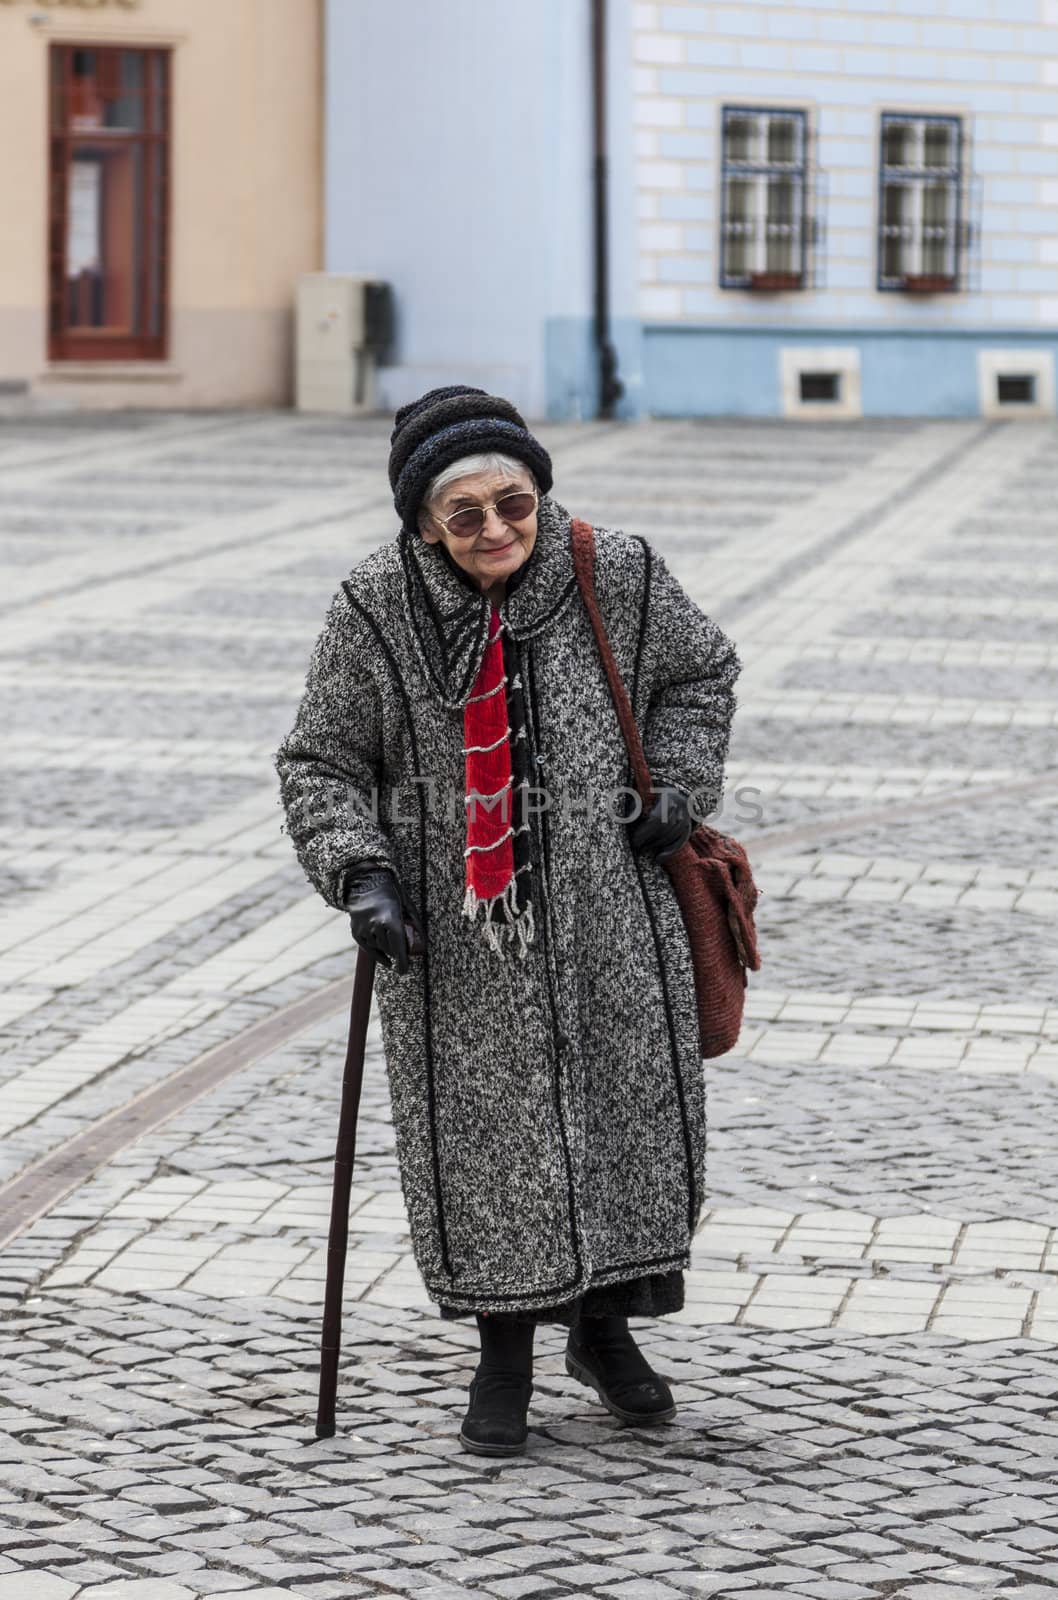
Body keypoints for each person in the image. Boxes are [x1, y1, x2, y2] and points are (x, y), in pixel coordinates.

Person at [274, 385, 741, 1456]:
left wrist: (675, 783)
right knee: (488, 1152)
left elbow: (700, 673)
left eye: (514, 503)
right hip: (457, 943)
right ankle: (502, 1359)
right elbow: (321, 759)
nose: (496, 531)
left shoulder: (611, 573)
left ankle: (605, 1335)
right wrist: (361, 875)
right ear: (421, 525)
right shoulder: (374, 607)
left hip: (613, 920)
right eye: (464, 516)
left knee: (622, 1131)